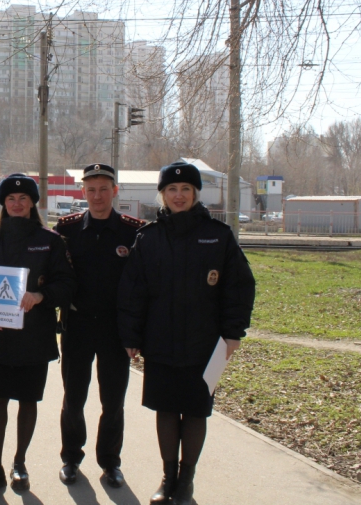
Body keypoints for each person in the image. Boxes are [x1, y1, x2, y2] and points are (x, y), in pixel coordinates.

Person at [118, 161, 255, 505]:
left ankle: (187, 481)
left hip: (204, 344)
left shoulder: (218, 236)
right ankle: (168, 480)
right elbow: (133, 290)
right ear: (162, 195)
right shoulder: (148, 238)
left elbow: (239, 287)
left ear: (195, 194)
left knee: (195, 411)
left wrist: (233, 332)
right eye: (171, 190)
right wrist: (131, 336)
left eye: (186, 190)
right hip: (160, 340)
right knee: (166, 410)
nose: (178, 196)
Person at [0, 174, 76, 497]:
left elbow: (67, 284)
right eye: (11, 199)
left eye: (23, 198)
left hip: (34, 337)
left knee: (28, 400)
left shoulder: (50, 240)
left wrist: (41, 296)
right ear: (3, 203)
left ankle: (19, 463)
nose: (17, 203)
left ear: (32, 203)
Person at [54, 163, 146, 487]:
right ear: (83, 192)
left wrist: (136, 333)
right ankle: (70, 458)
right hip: (77, 325)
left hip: (113, 329)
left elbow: (140, 287)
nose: (97, 196)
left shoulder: (132, 232)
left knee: (113, 401)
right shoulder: (66, 229)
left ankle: (110, 463)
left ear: (115, 191)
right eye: (90, 189)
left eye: (103, 189)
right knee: (73, 397)